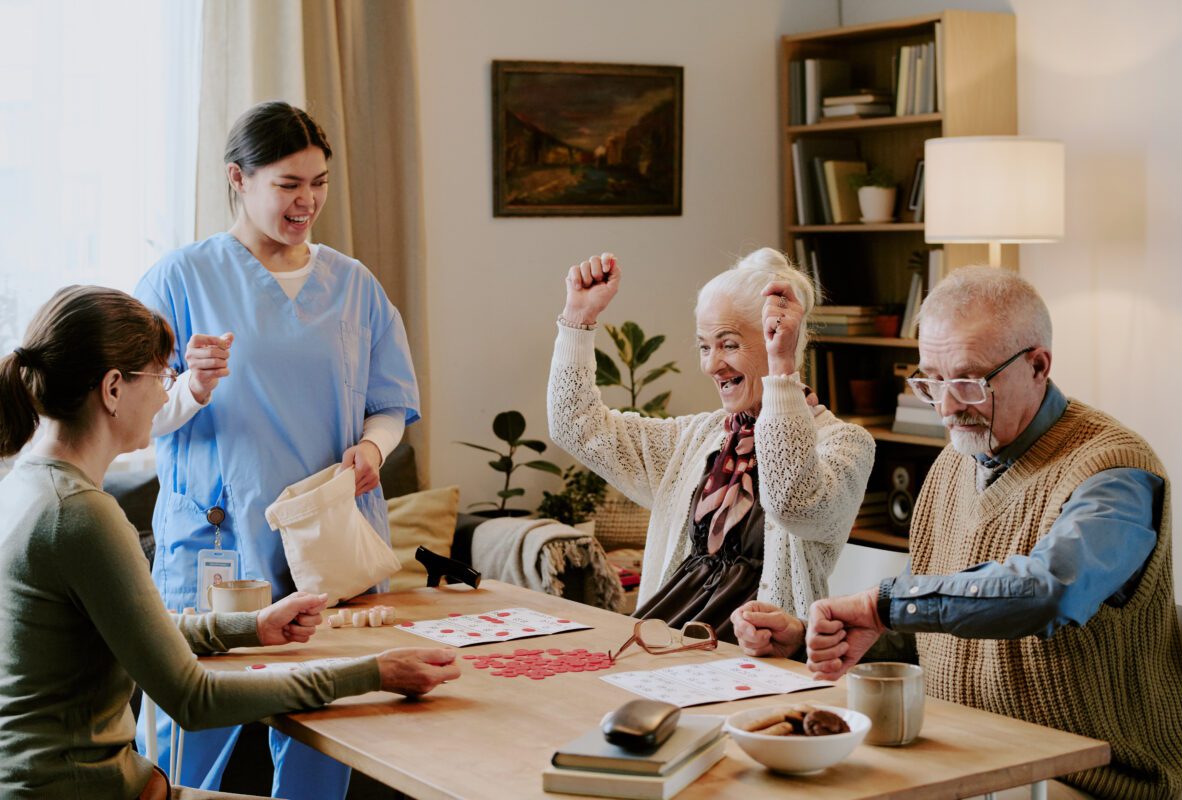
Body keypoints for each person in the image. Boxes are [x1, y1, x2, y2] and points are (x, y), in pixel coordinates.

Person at [732, 266, 1182, 800]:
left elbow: (1049, 591)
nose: (947, 407)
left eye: (970, 382)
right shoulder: (955, 463)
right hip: (965, 755)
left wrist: (883, 607)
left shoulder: (1115, 472)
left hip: (1087, 777)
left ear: (1038, 365)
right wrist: (833, 635)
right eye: (931, 381)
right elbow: (940, 616)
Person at [0, 286, 460, 800]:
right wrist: (374, 672)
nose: (163, 394)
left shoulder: (27, 485)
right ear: (112, 389)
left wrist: (252, 627)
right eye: (160, 377)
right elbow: (193, 699)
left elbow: (132, 627)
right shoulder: (82, 514)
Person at [133, 101, 421, 798]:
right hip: (219, 544)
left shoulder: (355, 285)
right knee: (176, 759)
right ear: (239, 178)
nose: (308, 201)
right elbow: (133, 415)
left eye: (319, 182)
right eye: (288, 184)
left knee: (328, 744)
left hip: (330, 545)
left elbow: (390, 403)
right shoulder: (179, 279)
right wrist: (193, 389)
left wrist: (374, 451)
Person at [548, 249, 874, 643]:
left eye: (729, 344)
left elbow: (792, 502)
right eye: (705, 346)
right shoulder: (698, 438)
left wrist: (782, 372)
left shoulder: (845, 444)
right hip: (663, 642)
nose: (711, 365)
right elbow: (576, 426)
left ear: (780, 342)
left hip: (760, 656)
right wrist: (577, 320)